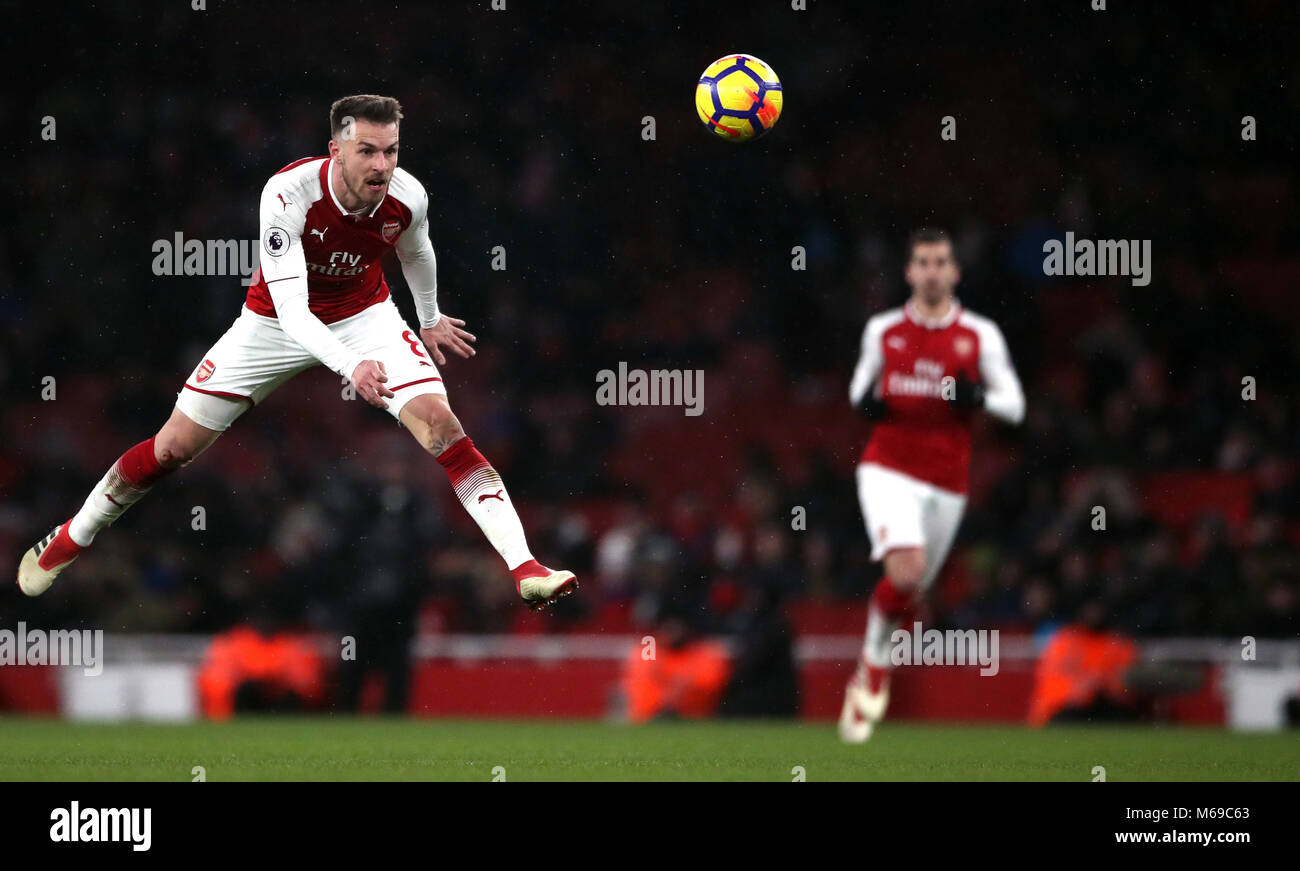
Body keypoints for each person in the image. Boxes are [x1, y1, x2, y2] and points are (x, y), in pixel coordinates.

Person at [18, 95, 576, 611]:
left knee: (442, 427)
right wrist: (350, 365)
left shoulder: (408, 195)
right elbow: (292, 310)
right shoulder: (288, 193)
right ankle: (71, 537)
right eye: (367, 152)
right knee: (173, 449)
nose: (382, 166)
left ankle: (525, 568)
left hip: (365, 316)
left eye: (391, 151)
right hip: (272, 323)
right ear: (336, 150)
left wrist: (428, 317)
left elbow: (417, 251)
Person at [840, 228, 1025, 742]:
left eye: (940, 262)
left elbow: (1015, 404)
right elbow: (860, 388)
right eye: (922, 262)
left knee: (913, 590)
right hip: (888, 468)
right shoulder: (882, 330)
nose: (931, 271)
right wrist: (866, 404)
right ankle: (876, 665)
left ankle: (872, 656)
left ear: (955, 272)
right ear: (909, 272)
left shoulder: (980, 335)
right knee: (907, 570)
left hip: (946, 482)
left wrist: (978, 397)